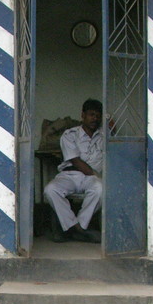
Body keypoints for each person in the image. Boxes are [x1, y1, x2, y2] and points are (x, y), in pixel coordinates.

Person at [44, 98, 104, 243]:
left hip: (92, 179)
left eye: (97, 115)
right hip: (70, 174)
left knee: (101, 189)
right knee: (51, 190)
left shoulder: (105, 137)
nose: (94, 119)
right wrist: (97, 175)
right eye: (91, 114)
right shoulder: (70, 135)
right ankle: (77, 228)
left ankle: (78, 228)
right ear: (82, 115)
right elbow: (76, 162)